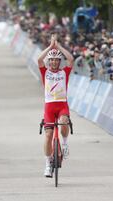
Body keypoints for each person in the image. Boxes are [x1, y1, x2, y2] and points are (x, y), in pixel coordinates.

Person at [37, 34, 74, 177]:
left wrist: (58, 46)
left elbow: (70, 59)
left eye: (56, 60)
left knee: (64, 122)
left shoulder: (64, 72)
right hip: (49, 107)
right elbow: (39, 59)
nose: (53, 62)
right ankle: (47, 163)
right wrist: (50, 47)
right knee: (48, 134)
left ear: (59, 62)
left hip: (62, 105)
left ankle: (64, 144)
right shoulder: (44, 72)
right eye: (51, 60)